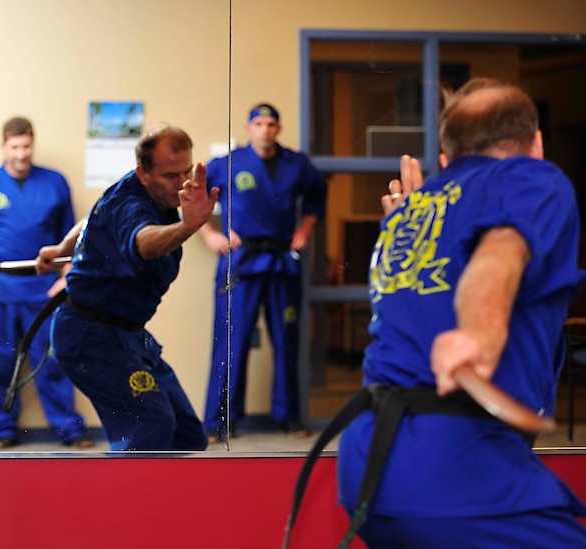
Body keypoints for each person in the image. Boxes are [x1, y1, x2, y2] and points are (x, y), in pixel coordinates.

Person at [334, 78, 586, 547]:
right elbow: (500, 251)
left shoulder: (407, 215)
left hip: (365, 464)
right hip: (454, 466)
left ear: (447, 159)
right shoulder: (533, 178)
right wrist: (480, 331)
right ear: (537, 144)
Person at [35, 126, 218, 451]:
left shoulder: (132, 192)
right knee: (151, 426)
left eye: (186, 171)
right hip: (89, 334)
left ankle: (163, 501)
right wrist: (187, 226)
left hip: (127, 334)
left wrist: (62, 246)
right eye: (170, 175)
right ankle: (120, 500)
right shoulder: (132, 202)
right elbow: (143, 243)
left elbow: (96, 216)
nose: (181, 183)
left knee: (188, 433)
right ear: (143, 174)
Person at [0, 116, 93, 450]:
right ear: (4, 146)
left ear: (33, 143)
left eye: (26, 146)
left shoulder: (55, 183)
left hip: (41, 287)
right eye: (15, 147)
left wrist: (66, 282)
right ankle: (4, 428)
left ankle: (69, 429)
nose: (21, 154)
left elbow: (69, 242)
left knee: (51, 358)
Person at [198, 104, 328, 443]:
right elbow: (193, 198)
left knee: (286, 342)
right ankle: (219, 421)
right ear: (249, 127)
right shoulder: (228, 164)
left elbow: (317, 198)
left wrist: (307, 227)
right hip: (240, 261)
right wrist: (211, 234)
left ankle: (289, 416)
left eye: (271, 124)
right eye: (259, 123)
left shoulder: (296, 164)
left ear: (279, 128)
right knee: (230, 342)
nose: (265, 130)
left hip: (281, 260)